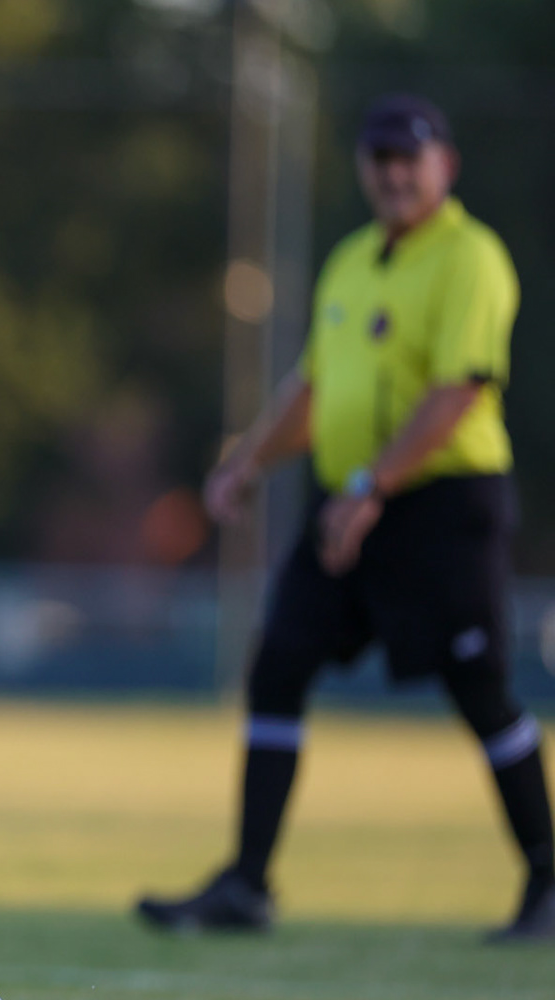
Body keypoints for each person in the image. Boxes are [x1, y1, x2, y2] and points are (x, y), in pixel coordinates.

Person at [137, 94, 551, 942]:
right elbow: (316, 387)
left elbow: (459, 387)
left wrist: (371, 486)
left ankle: (548, 882)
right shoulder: (353, 261)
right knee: (280, 662)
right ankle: (247, 884)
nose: (395, 173)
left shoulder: (472, 258)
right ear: (365, 167)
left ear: (446, 166)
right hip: (348, 500)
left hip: (442, 505)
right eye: (381, 158)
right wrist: (247, 464)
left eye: (412, 157)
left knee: (480, 690)